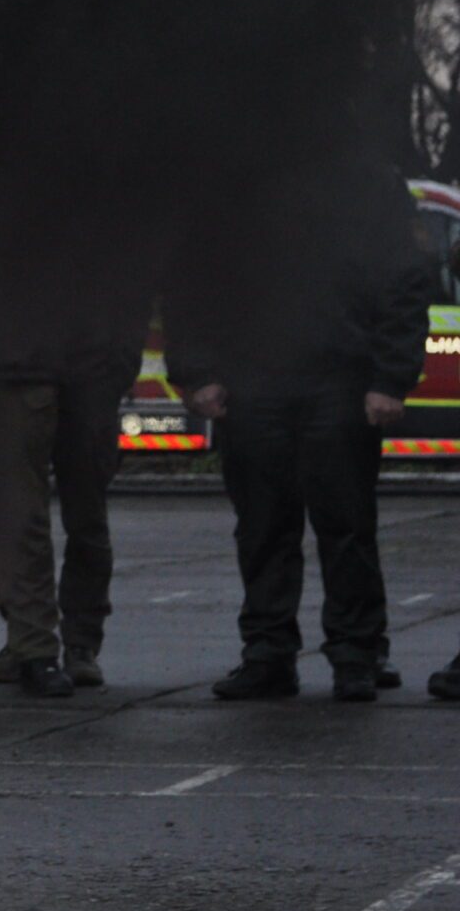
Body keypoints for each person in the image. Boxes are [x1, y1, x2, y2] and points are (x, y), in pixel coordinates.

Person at [169, 160, 432, 703]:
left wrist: (390, 378)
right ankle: (270, 653)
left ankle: (356, 653)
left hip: (339, 376)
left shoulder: (365, 177)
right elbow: (192, 278)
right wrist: (196, 372)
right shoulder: (228, 175)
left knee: (347, 524)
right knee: (263, 526)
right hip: (253, 380)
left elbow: (404, 279)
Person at [0, 297, 149, 698]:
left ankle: (71, 642)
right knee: (24, 518)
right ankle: (31, 639)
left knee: (81, 519)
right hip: (25, 369)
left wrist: (117, 367)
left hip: (79, 374)